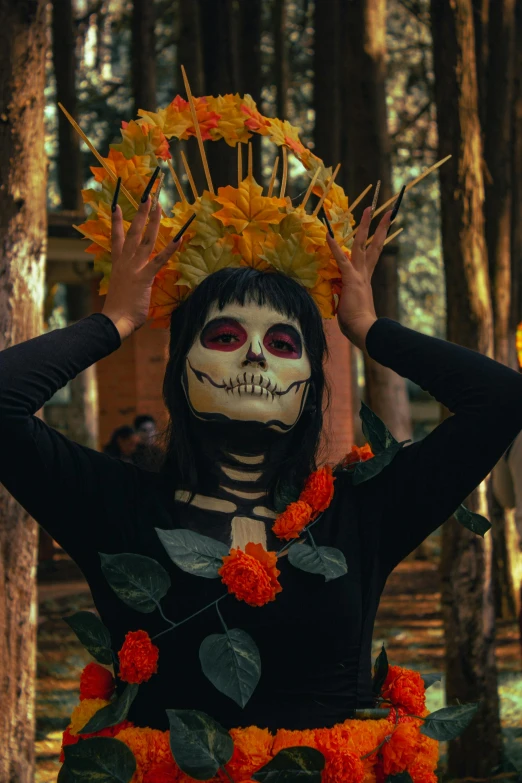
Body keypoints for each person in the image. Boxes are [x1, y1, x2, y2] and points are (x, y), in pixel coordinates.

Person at [1, 193, 522, 742]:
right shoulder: (115, 503)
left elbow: (500, 399)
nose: (255, 355)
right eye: (226, 337)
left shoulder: (362, 510)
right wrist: (117, 321)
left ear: (310, 387)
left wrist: (368, 327)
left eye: (282, 342)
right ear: (180, 371)